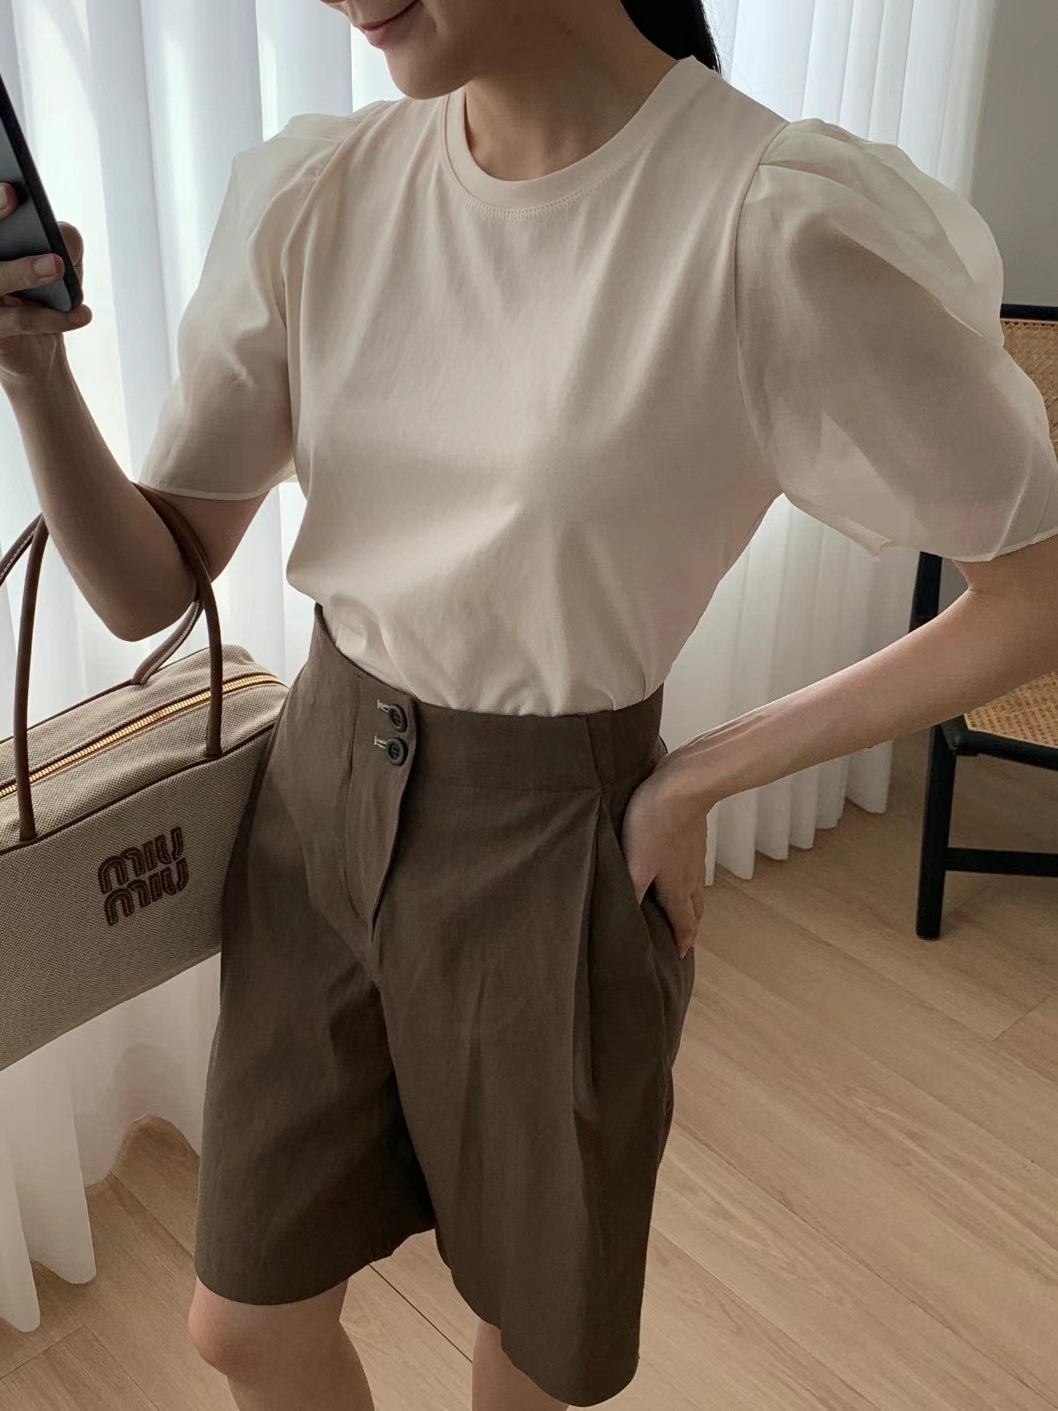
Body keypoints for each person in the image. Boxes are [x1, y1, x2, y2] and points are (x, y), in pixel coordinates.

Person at [4, 0, 1058, 1406]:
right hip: (316, 808)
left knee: (530, 1349)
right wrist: (33, 373)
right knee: (243, 1323)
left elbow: (1034, 589)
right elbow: (153, 587)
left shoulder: (767, 220)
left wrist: (695, 776)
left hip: (552, 846)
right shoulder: (324, 192)